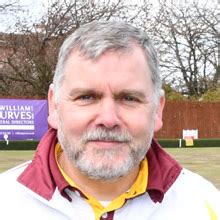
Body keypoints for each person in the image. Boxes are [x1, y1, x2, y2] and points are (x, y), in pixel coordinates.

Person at [0, 21, 219, 220]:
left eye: (129, 98)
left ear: (157, 109)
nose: (108, 119)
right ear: (54, 106)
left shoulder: (204, 205)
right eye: (86, 97)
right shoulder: (6, 202)